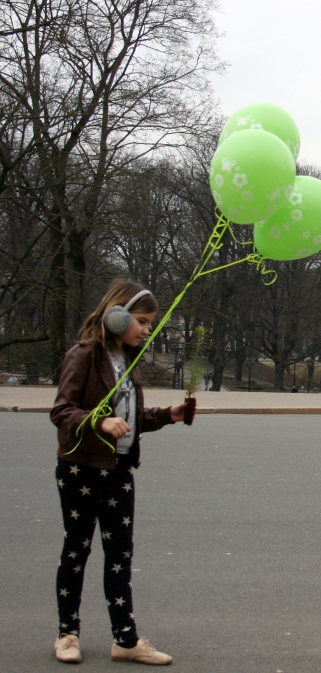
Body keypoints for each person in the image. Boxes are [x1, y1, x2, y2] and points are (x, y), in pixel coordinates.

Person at [50, 279, 187, 665]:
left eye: (149, 324)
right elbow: (62, 411)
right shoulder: (84, 355)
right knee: (77, 550)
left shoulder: (128, 359)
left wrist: (168, 415)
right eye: (142, 322)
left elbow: (131, 418)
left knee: (120, 554)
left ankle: (125, 640)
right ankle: (67, 634)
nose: (146, 330)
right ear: (117, 317)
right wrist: (98, 422)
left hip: (119, 470)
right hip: (81, 469)